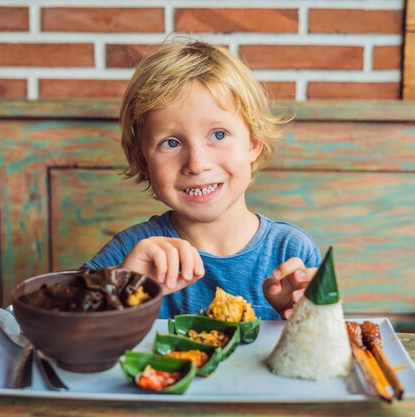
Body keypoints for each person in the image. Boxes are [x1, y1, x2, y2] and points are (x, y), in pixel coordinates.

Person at [84, 40, 320, 320]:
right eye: (171, 143)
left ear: (254, 143)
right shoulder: (130, 254)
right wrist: (123, 291)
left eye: (218, 135)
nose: (197, 164)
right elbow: (63, 335)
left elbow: (328, 351)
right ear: (141, 161)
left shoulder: (292, 252)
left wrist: (296, 317)